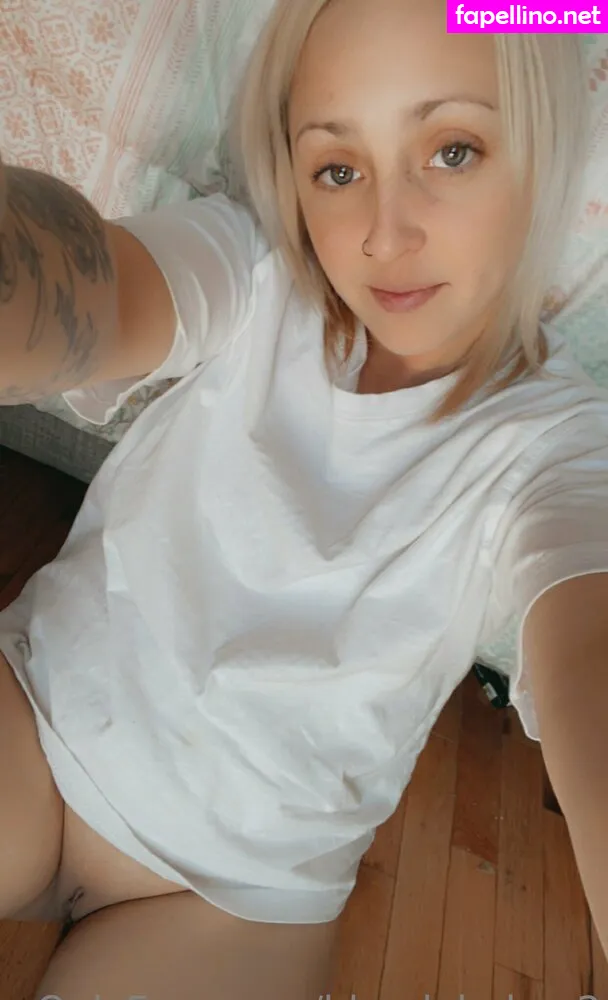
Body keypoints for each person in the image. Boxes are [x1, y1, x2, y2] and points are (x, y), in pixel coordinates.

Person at [0, 0, 607, 995]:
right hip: (32, 718)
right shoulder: (256, 269)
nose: (384, 232)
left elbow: (590, 650)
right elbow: (100, 288)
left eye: (451, 151)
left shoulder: (558, 446)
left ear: (536, 152)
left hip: (231, 906)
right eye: (337, 169)